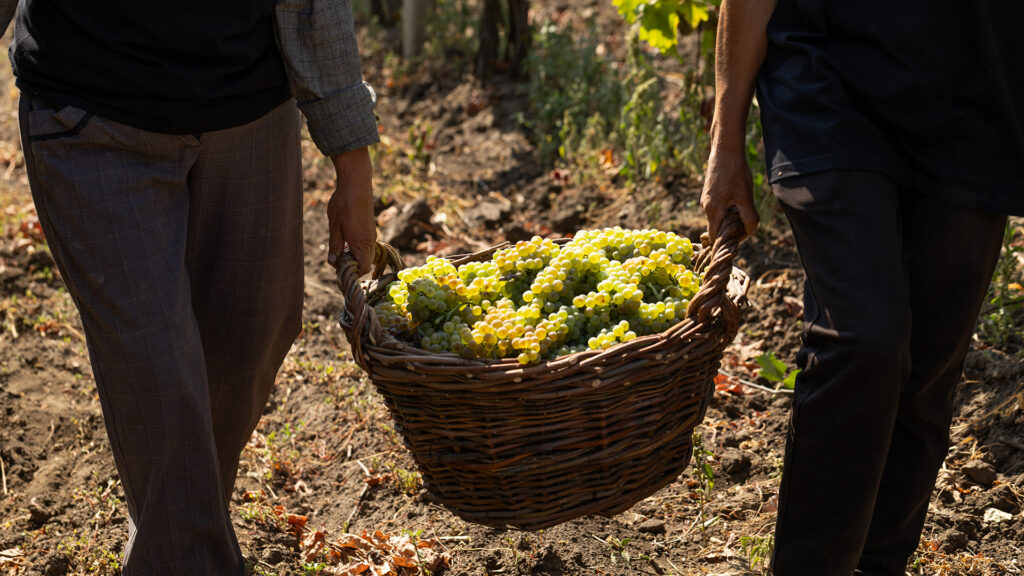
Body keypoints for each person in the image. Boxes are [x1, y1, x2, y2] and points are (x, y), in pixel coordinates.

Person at [0, 0, 378, 573]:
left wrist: (352, 162)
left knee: (249, 344)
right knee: (159, 374)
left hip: (250, 110)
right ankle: (186, 547)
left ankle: (179, 525)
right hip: (91, 112)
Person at [702, 1, 1022, 574]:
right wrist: (725, 140)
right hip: (827, 77)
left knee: (928, 368)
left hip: (975, 96)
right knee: (862, 337)